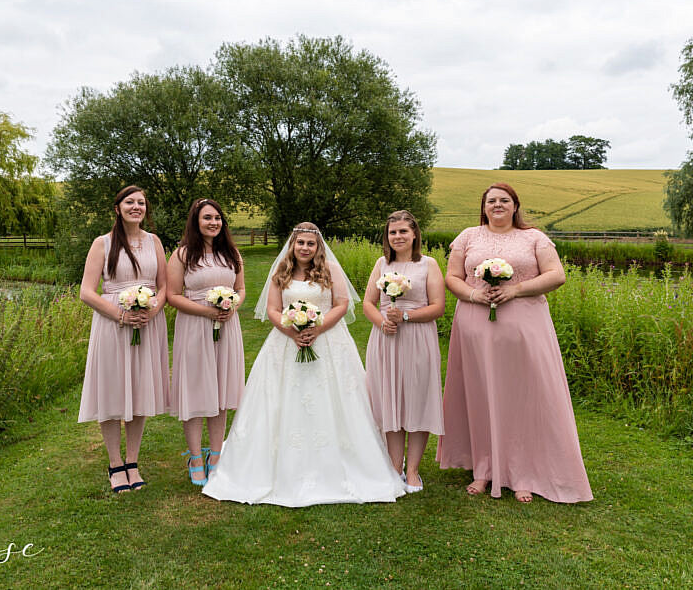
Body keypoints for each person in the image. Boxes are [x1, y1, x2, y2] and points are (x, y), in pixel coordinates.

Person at [202, 222, 406, 506]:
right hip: (286, 342)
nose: (305, 248)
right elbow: (273, 309)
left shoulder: (330, 270)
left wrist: (316, 328)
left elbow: (342, 304)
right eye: (301, 243)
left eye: (311, 243)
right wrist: (292, 331)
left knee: (337, 402)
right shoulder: (281, 272)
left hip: (328, 341)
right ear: (292, 245)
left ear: (318, 246)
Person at [436, 183, 592, 503]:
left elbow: (556, 275)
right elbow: (452, 277)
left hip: (525, 329)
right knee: (481, 395)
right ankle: (483, 468)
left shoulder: (534, 237)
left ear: (515, 206)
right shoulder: (468, 236)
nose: (497, 205)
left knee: (523, 396)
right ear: (484, 206)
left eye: (504, 200)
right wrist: (475, 294)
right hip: (475, 328)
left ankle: (523, 472)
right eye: (491, 200)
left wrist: (516, 289)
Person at [78, 186, 169, 492]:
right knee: (112, 391)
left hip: (147, 324)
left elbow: (164, 285)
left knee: (140, 389)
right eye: (130, 202)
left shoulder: (154, 242)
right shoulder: (102, 244)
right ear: (117, 208)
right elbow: (87, 292)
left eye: (141, 202)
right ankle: (115, 463)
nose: (136, 207)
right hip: (113, 325)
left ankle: (133, 461)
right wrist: (121, 315)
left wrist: (152, 311)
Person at [363, 210, 445, 494]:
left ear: (414, 235)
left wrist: (407, 318)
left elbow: (438, 307)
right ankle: (395, 467)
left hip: (418, 337)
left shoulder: (428, 265)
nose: (397, 237)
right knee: (390, 399)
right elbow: (369, 304)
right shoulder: (381, 264)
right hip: (386, 338)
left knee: (418, 398)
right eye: (392, 232)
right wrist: (382, 322)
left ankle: (413, 470)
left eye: (403, 232)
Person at [166, 198, 246, 486]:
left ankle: (216, 453)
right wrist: (207, 310)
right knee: (196, 387)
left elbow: (241, 288)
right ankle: (195, 457)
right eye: (207, 218)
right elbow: (173, 296)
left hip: (226, 326)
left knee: (222, 388)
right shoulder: (182, 255)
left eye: (217, 218)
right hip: (194, 326)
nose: (213, 223)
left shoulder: (232, 253)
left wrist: (232, 306)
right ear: (196, 222)